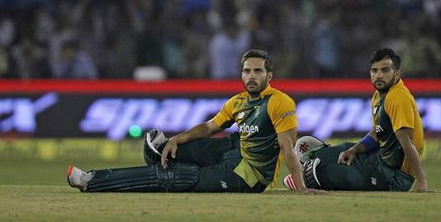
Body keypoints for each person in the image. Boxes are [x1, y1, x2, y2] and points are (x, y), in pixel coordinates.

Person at [67, 49, 321, 194]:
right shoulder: (238, 101)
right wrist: (178, 138)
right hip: (234, 152)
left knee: (178, 177)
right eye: (247, 71)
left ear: (269, 75)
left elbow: (287, 148)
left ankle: (92, 180)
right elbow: (210, 127)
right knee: (171, 148)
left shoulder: (280, 102)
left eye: (258, 71)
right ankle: (161, 153)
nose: (251, 76)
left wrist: (300, 186)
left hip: (249, 176)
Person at [284, 48, 428, 192]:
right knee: (322, 148)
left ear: (396, 74)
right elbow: (377, 133)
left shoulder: (397, 97)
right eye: (374, 70)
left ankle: (310, 177)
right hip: (379, 159)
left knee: (330, 174)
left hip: (395, 176)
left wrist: (420, 181)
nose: (378, 75)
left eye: (385, 70)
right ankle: (310, 170)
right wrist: (354, 149)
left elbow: (407, 142)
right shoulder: (379, 96)